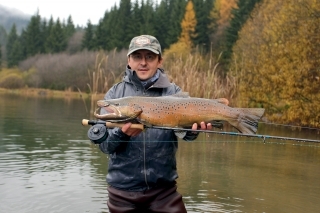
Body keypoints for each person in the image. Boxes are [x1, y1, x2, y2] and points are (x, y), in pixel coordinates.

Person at [89, 35, 212, 213]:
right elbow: (105, 147)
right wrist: (122, 133)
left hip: (164, 193)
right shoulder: (114, 96)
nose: (143, 62)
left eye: (150, 57)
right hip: (122, 194)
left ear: (159, 61)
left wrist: (193, 131)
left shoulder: (173, 92)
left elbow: (184, 134)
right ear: (129, 61)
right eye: (138, 56)